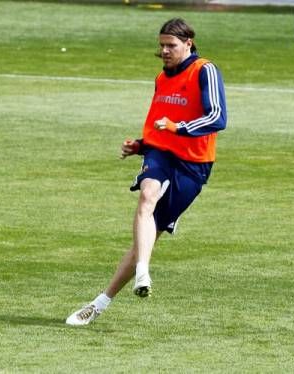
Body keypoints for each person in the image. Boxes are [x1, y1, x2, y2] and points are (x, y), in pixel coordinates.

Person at [66, 18, 227, 326]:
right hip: (162, 154)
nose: (165, 51)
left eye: (172, 45)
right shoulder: (162, 77)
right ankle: (143, 271)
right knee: (147, 195)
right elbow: (158, 122)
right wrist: (141, 145)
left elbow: (218, 117)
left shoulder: (204, 70)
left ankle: (100, 302)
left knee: (149, 234)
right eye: (162, 45)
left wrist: (178, 127)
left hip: (194, 165)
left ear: (188, 44)